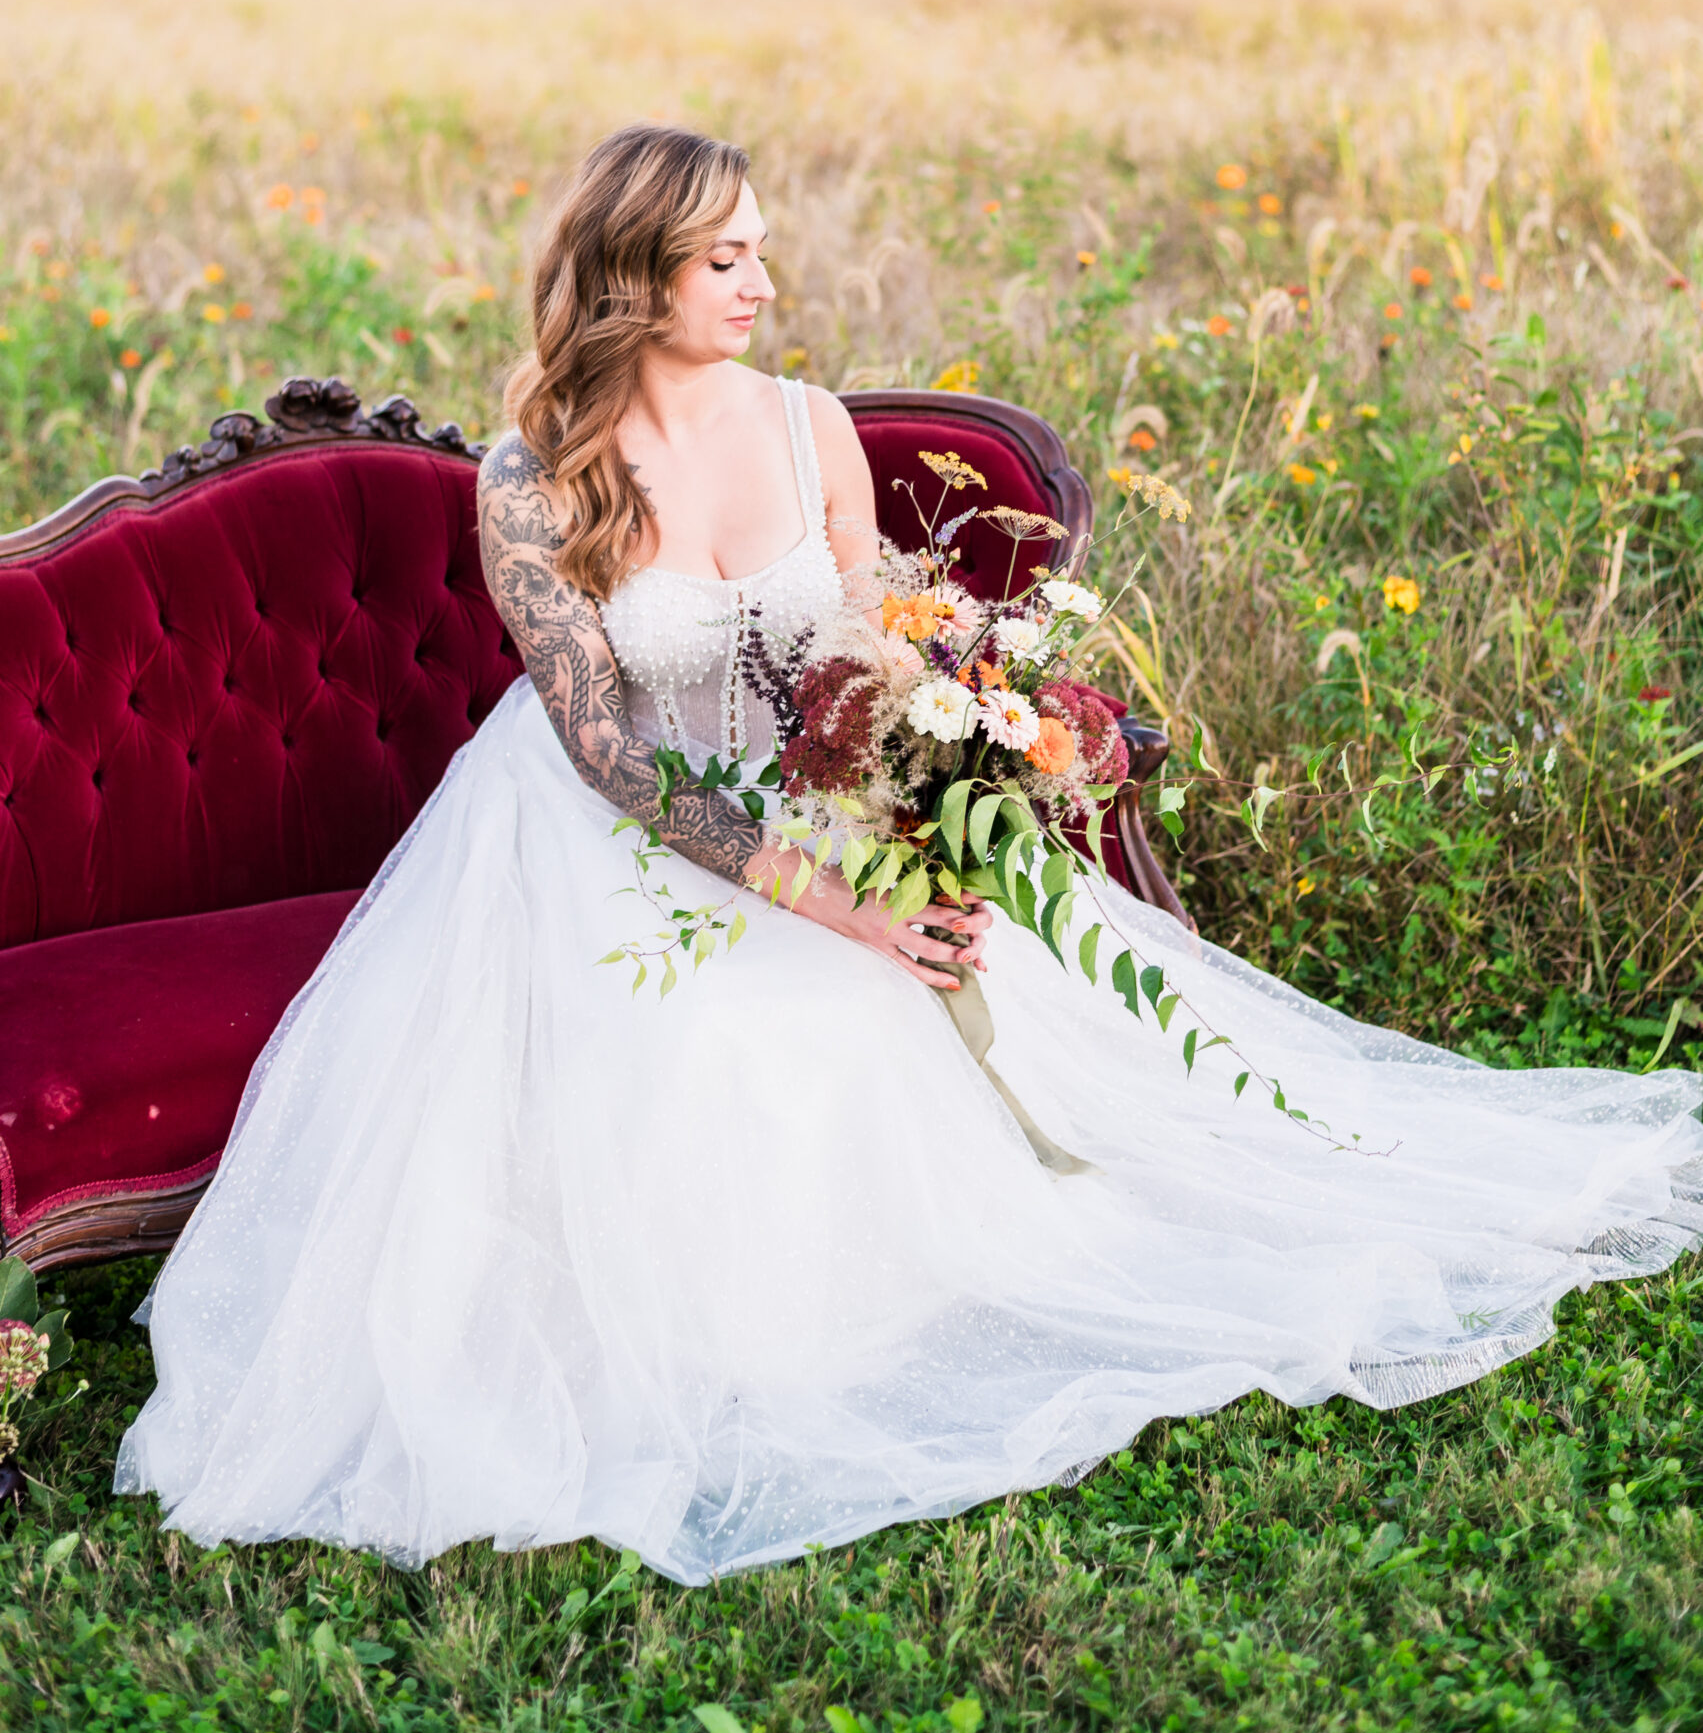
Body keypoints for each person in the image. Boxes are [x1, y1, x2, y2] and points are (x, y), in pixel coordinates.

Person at [117, 125, 1703, 1585]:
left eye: (759, 252)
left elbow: (880, 652)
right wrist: (833, 905)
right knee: (710, 1031)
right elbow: (607, 748)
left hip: (822, 793)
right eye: (724, 257)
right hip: (613, 830)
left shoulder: (812, 429)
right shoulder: (536, 478)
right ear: (633, 275)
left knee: (1028, 1031)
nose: (764, 283)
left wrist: (928, 793)